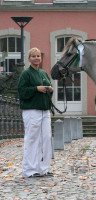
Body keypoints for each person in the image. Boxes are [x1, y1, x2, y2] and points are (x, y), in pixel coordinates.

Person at [18, 47, 54, 178]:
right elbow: (22, 92)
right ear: (29, 59)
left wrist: (50, 89)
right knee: (32, 140)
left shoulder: (44, 73)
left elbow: (48, 87)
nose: (36, 58)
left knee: (46, 139)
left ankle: (43, 168)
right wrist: (36, 89)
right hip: (32, 110)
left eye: (38, 56)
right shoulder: (26, 74)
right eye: (33, 56)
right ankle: (30, 170)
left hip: (45, 110)